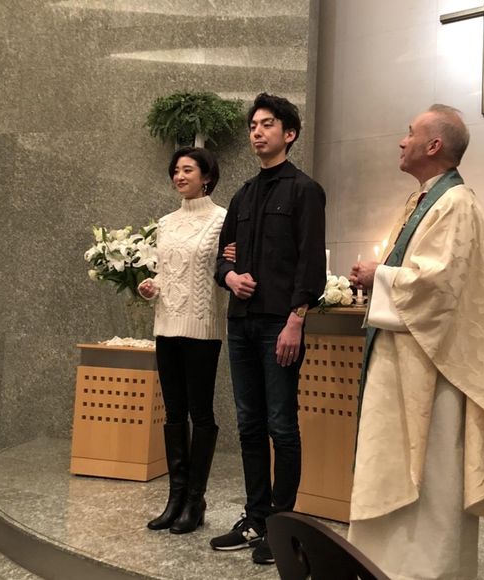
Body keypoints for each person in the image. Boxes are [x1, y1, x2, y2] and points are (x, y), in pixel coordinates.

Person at [347, 104, 484, 580]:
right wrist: (381, 276)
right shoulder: (424, 200)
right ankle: (384, 565)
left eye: (410, 133)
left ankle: (426, 571)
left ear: (433, 145)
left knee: (432, 475)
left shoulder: (456, 204)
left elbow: (438, 286)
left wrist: (378, 275)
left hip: (433, 371)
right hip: (407, 360)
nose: (401, 141)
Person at [209, 92, 326, 565]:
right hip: (240, 323)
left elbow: (310, 264)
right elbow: (221, 259)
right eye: (253, 125)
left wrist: (296, 319)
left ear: (289, 133)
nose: (257, 132)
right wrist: (230, 277)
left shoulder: (305, 190)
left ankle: (283, 526)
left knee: (281, 424)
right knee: (250, 424)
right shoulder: (242, 195)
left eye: (267, 124)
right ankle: (255, 517)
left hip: (281, 323)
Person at [138, 146, 227, 535]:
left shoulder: (222, 219)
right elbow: (167, 272)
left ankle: (195, 500)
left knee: (200, 413)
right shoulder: (166, 222)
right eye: (176, 170)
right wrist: (151, 286)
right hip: (166, 325)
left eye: (188, 170)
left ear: (206, 176)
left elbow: (221, 269)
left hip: (202, 328)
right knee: (174, 413)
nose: (179, 176)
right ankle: (175, 498)